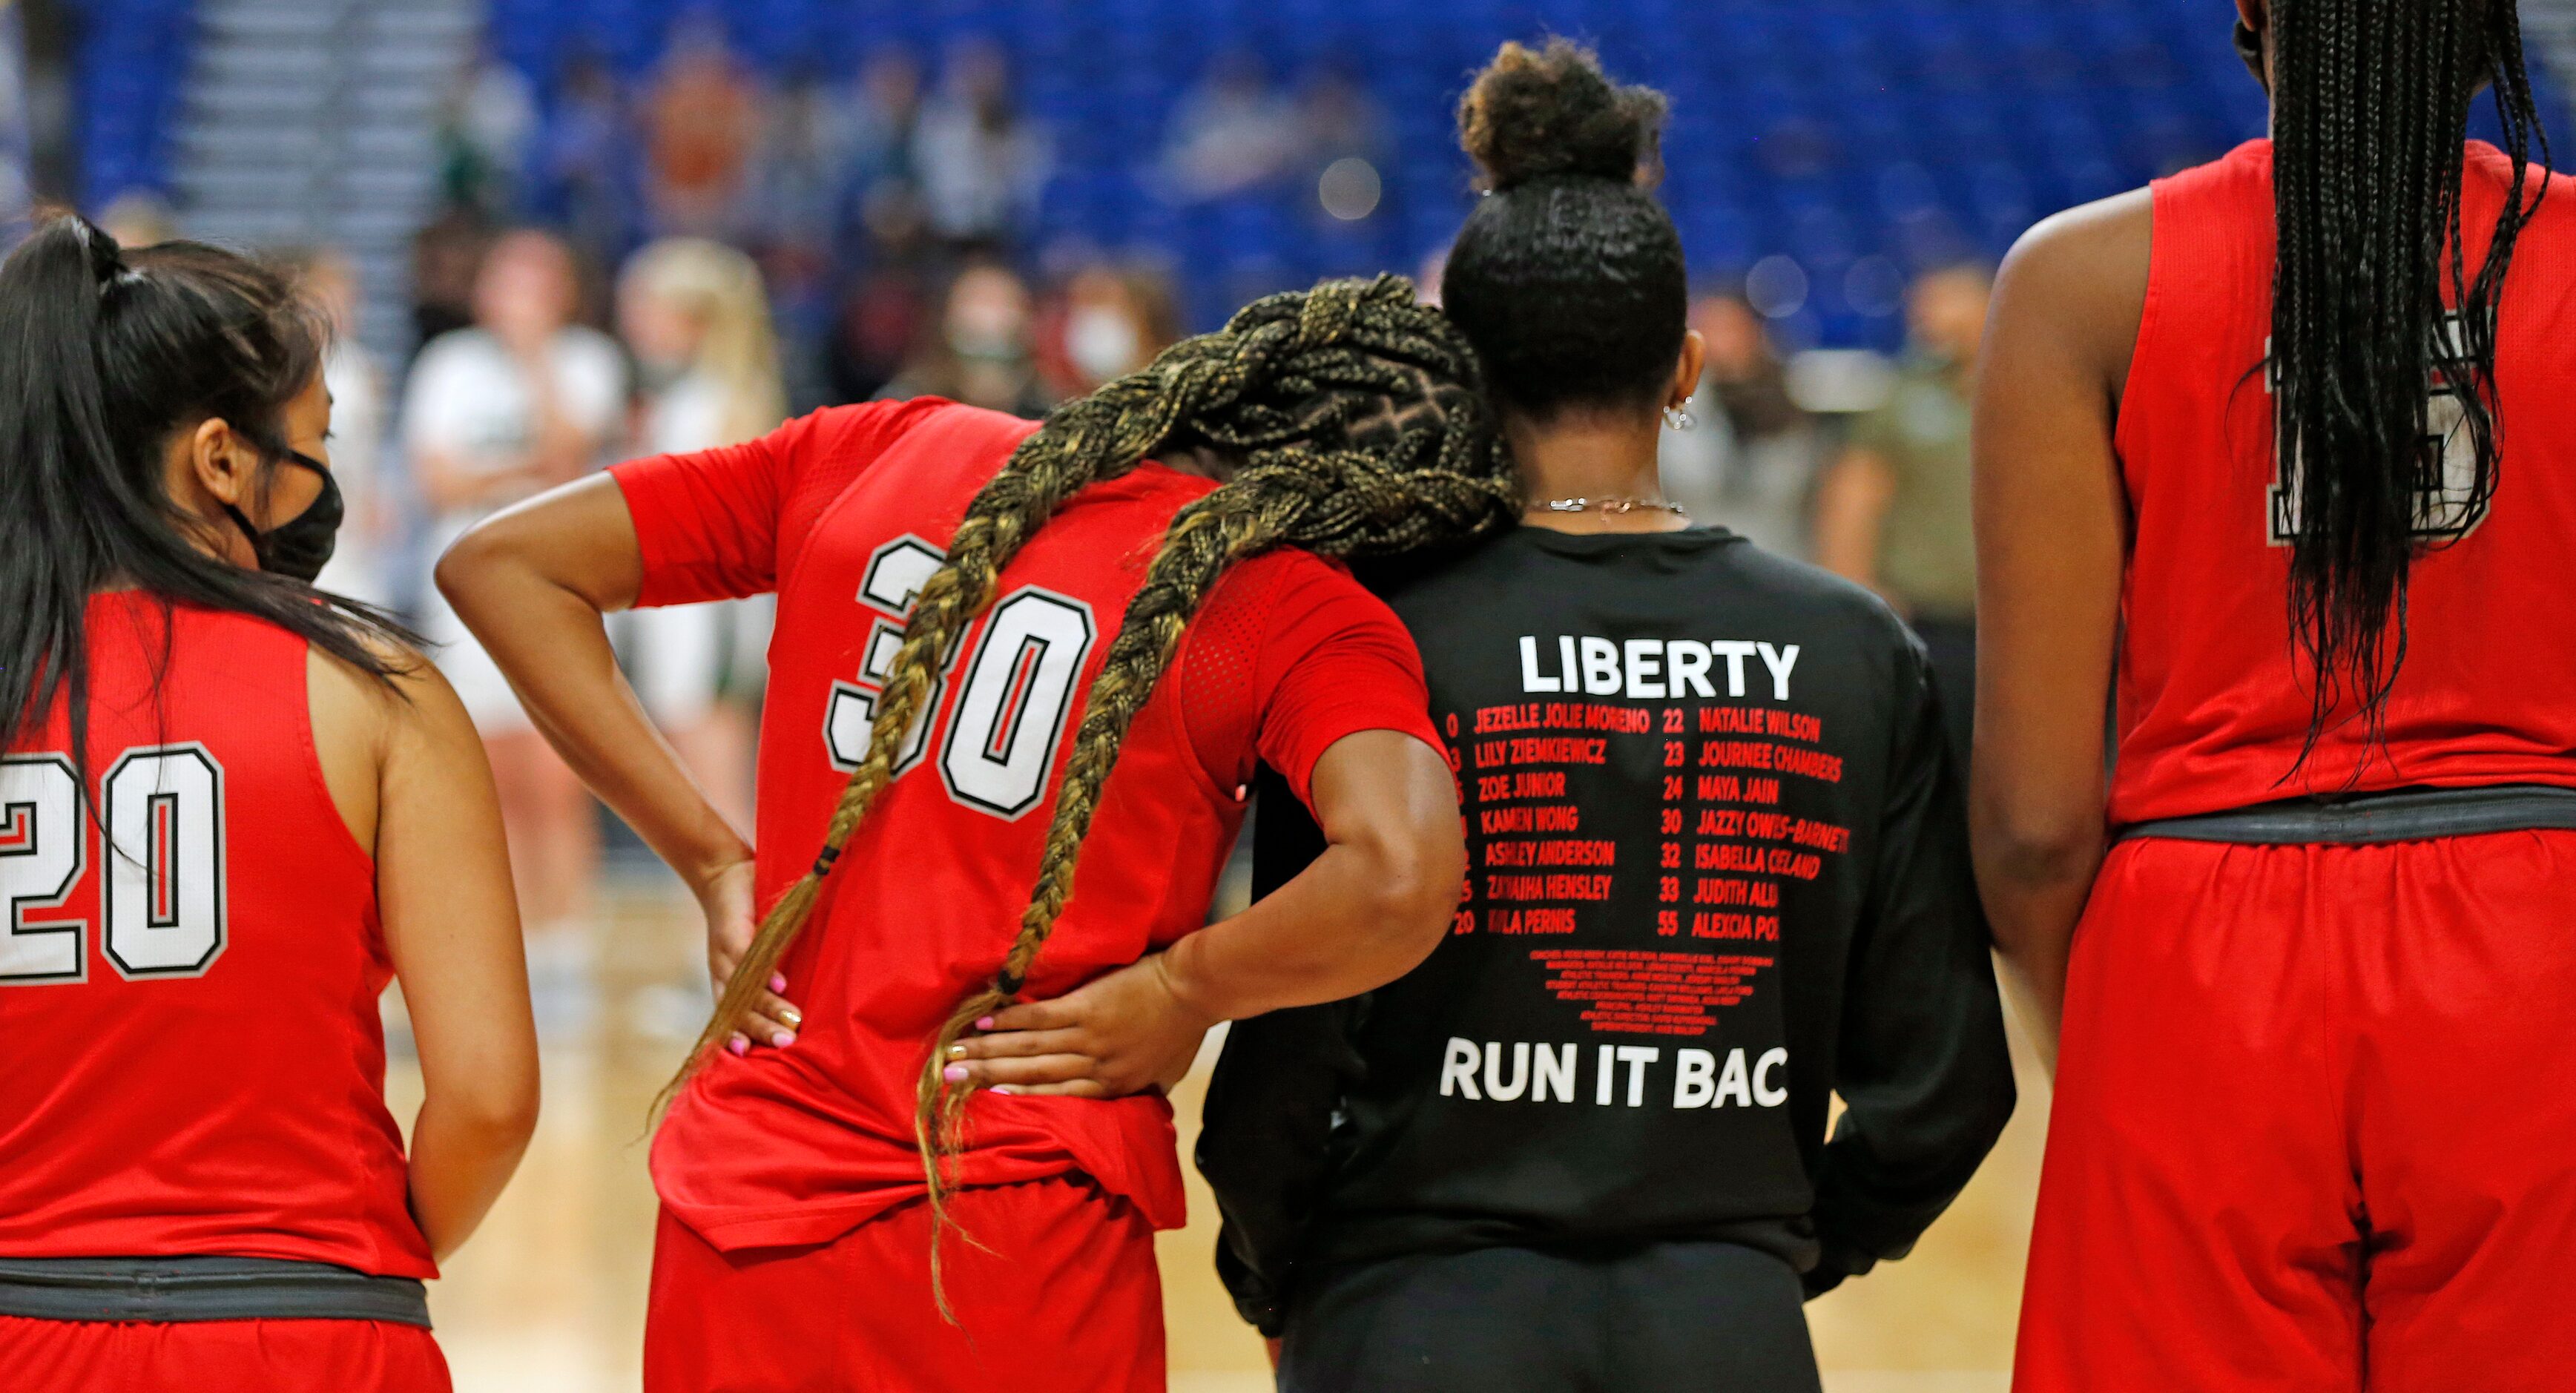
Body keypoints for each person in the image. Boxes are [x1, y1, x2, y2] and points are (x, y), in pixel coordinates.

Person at [435, 273, 1518, 1390]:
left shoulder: (886, 441)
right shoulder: (1285, 604)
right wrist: (1185, 989)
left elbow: (502, 563)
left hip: (748, 1211)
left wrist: (714, 857)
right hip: (1015, 1226)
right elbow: (1399, 870)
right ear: (1384, 508)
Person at [1187, 42, 2015, 1393]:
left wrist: (1275, 1268)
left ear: (1464, 366)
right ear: (1683, 366)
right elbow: (1945, 1090)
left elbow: (1287, 1043)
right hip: (1722, 1321)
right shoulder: (1851, 648)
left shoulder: (1365, 626)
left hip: (1408, 1310)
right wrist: (1758, 1253)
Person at [1971, 3, 2575, 1387]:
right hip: (2535, 947)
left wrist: (2124, 1046)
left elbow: (2029, 822)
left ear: (2250, 10)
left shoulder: (2078, 282)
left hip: (2197, 952)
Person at [0, 220, 537, 1392]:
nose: (323, 483)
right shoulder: (377, 689)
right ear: (219, 460)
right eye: (314, 442)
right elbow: (489, 1096)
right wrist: (357, 1250)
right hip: (307, 1322)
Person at [403, 229, 625, 932]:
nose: (517, 301)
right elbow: (437, 483)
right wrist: (521, 470)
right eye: (506, 282)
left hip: (561, 594)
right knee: (492, 780)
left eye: (535, 284)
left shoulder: (589, 361)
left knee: (560, 779)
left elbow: (573, 458)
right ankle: (523, 941)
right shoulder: (448, 365)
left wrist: (535, 362)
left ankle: (570, 937)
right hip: (467, 597)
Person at [612, 237, 788, 833]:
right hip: (684, 615)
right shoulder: (689, 401)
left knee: (718, 798)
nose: (632, 320)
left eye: (645, 306)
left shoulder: (714, 404)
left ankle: (750, 926)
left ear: (691, 320)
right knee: (705, 796)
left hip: (707, 616)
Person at [1814, 264, 1990, 765]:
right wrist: (1856, 589)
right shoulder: (1900, 397)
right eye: (1923, 305)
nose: (1930, 318)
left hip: (2019, 625)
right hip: (1929, 620)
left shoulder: (2025, 389)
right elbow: (1853, 495)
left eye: (1946, 302)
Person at [1656, 289, 1822, 559]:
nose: (1716, 341)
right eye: (1704, 329)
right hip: (1692, 563)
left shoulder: (1792, 402)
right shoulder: (1667, 405)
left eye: (1729, 328)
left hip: (1778, 561)